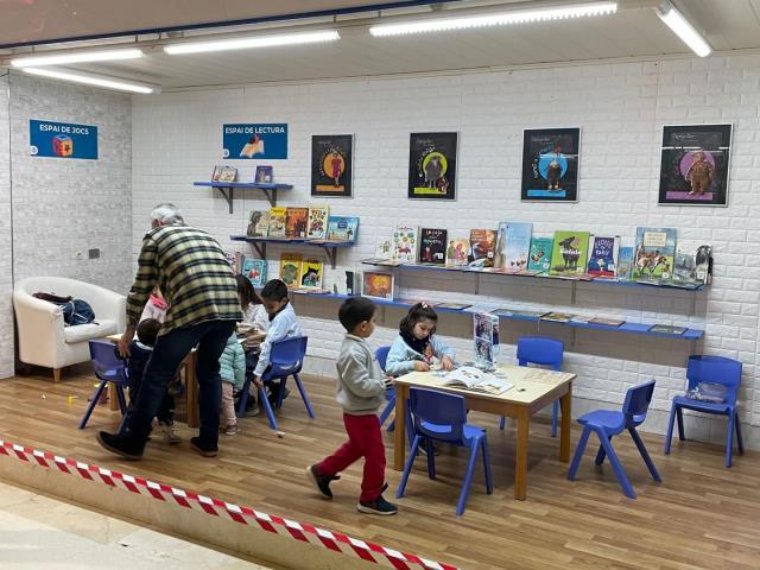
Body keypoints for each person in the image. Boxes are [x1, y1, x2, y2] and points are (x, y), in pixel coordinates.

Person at [97, 203, 242, 460]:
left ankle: (134, 441)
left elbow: (141, 288)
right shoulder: (205, 235)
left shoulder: (155, 238)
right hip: (230, 309)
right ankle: (209, 441)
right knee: (209, 371)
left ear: (157, 224)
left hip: (193, 310)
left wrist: (129, 331)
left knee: (156, 375)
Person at [307, 297, 397, 515]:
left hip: (362, 411)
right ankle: (370, 498)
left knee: (357, 447)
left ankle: (322, 471)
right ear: (363, 325)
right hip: (360, 413)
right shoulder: (351, 352)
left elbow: (368, 376)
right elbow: (360, 385)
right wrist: (382, 385)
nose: (375, 325)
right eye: (374, 321)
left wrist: (382, 379)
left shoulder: (359, 344)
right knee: (376, 456)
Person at [121, 318, 180, 444]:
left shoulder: (132, 347)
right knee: (166, 408)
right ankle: (169, 432)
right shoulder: (158, 355)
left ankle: (130, 432)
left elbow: (118, 353)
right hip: (159, 392)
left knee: (135, 410)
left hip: (135, 389)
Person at [252, 279, 302, 403]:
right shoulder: (288, 311)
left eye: (271, 306)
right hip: (293, 361)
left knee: (244, 362)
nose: (267, 310)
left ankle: (246, 400)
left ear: (283, 301)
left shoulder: (281, 318)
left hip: (279, 365)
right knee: (256, 355)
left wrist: (258, 374)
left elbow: (269, 346)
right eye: (265, 306)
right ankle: (276, 389)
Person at [385, 302, 455, 376]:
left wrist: (447, 357)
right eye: (422, 328)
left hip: (425, 381)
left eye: (429, 330)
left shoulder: (430, 339)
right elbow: (390, 367)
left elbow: (448, 350)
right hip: (408, 384)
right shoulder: (401, 343)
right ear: (412, 323)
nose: (426, 333)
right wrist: (413, 364)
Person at [219, 331, 246, 436]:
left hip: (212, 375)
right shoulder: (237, 347)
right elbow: (240, 369)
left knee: (210, 400)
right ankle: (231, 425)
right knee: (227, 401)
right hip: (226, 378)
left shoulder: (211, 342)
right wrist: (238, 386)